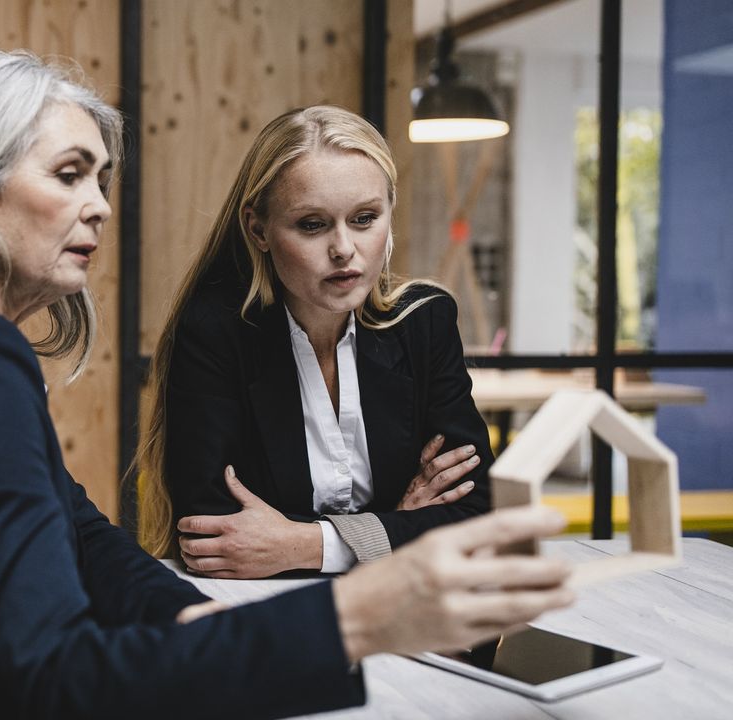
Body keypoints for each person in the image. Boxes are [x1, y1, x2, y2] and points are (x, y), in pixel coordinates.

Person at [0, 51, 573, 719]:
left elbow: (84, 536)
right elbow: (56, 676)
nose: (98, 205)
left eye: (102, 179)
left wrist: (198, 620)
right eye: (68, 174)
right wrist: (361, 616)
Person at [137, 106, 495, 578]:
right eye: (312, 224)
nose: (344, 248)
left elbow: (478, 513)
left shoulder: (425, 322)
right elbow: (213, 534)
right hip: (264, 617)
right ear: (258, 230)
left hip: (412, 609)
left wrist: (306, 544)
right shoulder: (216, 333)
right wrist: (395, 527)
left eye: (365, 218)